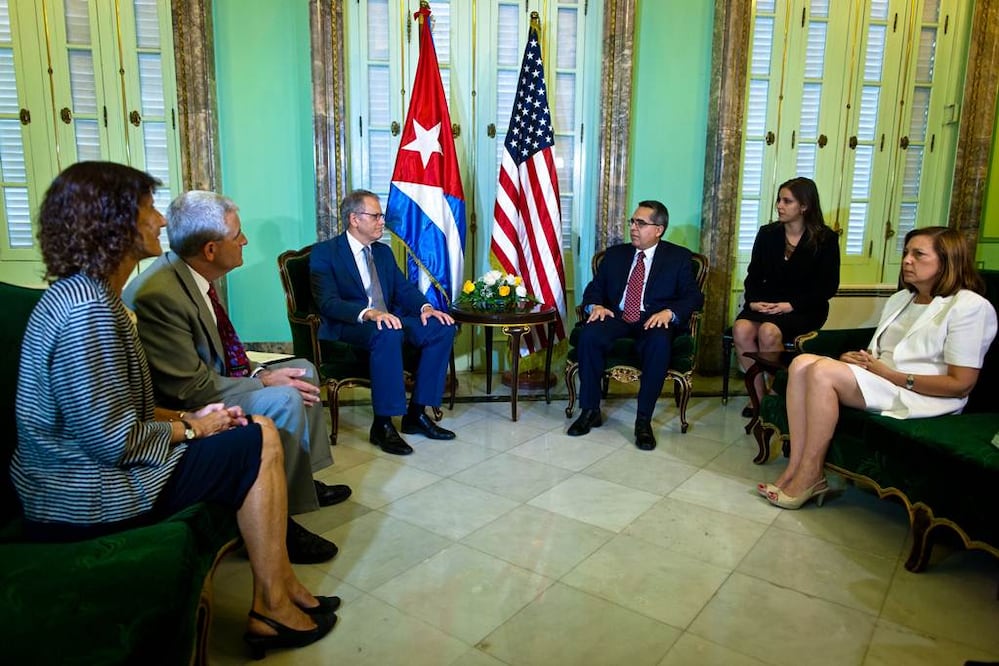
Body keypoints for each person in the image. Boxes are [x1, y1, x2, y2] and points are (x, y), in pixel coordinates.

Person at [11, 161, 337, 657]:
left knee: (255, 429)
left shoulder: (99, 297)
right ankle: (272, 603)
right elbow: (112, 440)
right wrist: (192, 431)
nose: (161, 223)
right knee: (258, 439)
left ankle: (281, 590)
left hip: (98, 463)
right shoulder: (86, 311)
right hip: (79, 492)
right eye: (147, 210)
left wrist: (195, 421)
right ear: (113, 224)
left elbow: (129, 411)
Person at [123, 191, 349, 565]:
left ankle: (301, 481)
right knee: (286, 396)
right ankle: (280, 516)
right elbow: (189, 388)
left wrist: (260, 371)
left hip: (211, 380)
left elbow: (223, 348)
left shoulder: (195, 275)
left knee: (303, 370)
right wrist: (263, 383)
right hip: (188, 403)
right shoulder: (159, 295)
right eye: (238, 235)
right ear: (211, 249)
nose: (245, 241)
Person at [762, 226, 997, 509]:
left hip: (924, 395)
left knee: (822, 371)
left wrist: (888, 374)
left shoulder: (970, 307)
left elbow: (961, 384)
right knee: (801, 363)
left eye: (918, 254)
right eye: (906, 253)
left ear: (947, 261)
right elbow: (879, 352)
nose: (907, 260)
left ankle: (811, 475)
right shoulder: (902, 299)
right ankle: (795, 469)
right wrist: (856, 359)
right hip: (881, 379)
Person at [310, 189, 457, 456]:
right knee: (386, 333)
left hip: (388, 319)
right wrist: (369, 313)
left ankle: (416, 414)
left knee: (442, 327)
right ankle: (383, 425)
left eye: (382, 216)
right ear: (355, 219)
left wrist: (425, 307)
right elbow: (327, 303)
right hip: (351, 325)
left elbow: (403, 289)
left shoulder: (383, 252)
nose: (382, 221)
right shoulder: (325, 253)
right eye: (376, 216)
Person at [567, 200, 704, 450]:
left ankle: (643, 421)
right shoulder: (616, 255)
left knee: (660, 342)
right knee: (589, 335)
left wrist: (670, 313)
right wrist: (594, 306)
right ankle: (589, 410)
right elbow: (594, 290)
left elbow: (693, 297)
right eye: (632, 221)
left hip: (653, 319)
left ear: (659, 229)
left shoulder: (678, 258)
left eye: (640, 223)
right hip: (617, 317)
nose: (633, 227)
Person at [733, 177, 840, 415]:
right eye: (779, 200)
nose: (779, 205)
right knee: (741, 328)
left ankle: (777, 395)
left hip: (803, 307)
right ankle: (758, 398)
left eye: (787, 201)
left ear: (804, 206)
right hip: (768, 303)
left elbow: (828, 287)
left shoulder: (826, 239)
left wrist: (790, 305)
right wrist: (752, 301)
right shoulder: (767, 234)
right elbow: (753, 274)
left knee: (768, 331)